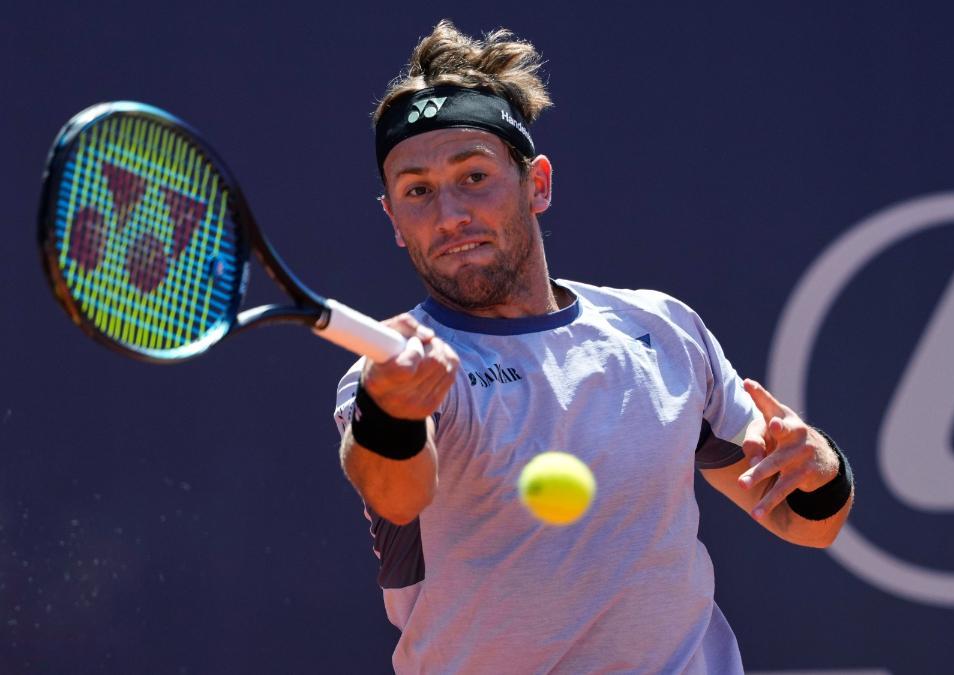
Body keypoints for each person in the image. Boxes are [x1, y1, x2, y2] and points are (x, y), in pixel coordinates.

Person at [332, 20, 854, 674]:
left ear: (537, 184)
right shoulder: (387, 374)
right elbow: (395, 493)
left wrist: (819, 464)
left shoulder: (661, 330)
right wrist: (391, 410)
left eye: (474, 176)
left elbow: (810, 521)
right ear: (394, 222)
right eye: (418, 191)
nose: (450, 215)